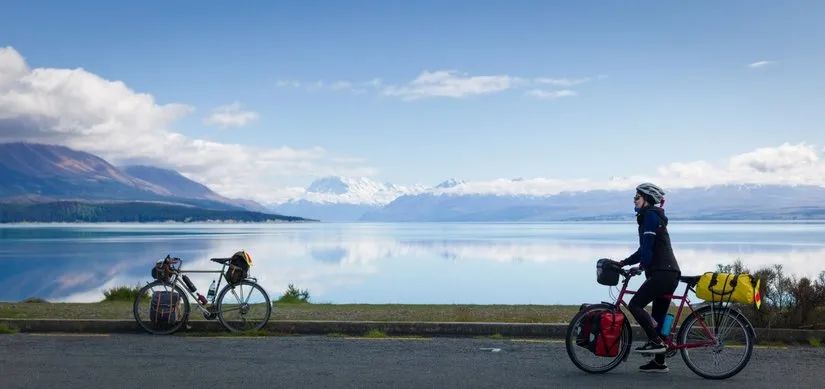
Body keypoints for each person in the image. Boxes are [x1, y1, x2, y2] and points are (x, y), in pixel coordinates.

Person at [618, 183, 681, 373]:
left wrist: (642, 266)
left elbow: (647, 249)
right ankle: (659, 363)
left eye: (637, 197)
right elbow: (644, 248)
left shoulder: (651, 216)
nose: (634, 201)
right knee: (658, 317)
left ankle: (654, 341)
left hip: (663, 273)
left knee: (635, 304)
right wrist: (623, 263)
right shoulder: (651, 216)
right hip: (668, 273)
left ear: (647, 199)